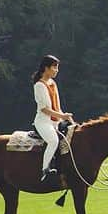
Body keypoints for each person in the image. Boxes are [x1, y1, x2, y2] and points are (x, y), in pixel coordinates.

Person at [32, 54, 74, 182]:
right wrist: (62, 116)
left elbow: (57, 106)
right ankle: (45, 170)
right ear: (46, 68)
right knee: (53, 141)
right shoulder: (39, 85)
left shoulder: (52, 83)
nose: (57, 70)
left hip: (55, 121)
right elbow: (44, 109)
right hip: (43, 122)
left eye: (57, 68)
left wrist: (67, 119)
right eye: (54, 67)